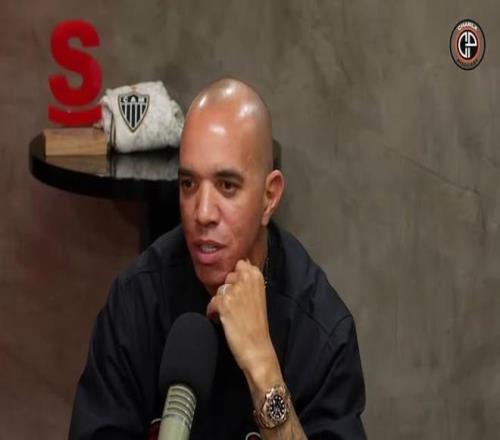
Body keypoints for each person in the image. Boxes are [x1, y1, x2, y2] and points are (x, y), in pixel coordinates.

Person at [69, 78, 366, 439]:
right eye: (188, 184)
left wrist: (263, 368)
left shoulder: (321, 329)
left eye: (227, 186)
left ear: (269, 197)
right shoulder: (137, 300)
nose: (203, 213)